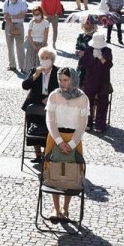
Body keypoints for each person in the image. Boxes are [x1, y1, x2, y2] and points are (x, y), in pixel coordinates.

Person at [43, 67, 88, 223]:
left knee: (71, 173)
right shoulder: (54, 95)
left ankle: (65, 208)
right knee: (54, 173)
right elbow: (50, 120)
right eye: (61, 80)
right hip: (56, 138)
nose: (63, 83)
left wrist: (73, 143)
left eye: (66, 80)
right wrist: (59, 141)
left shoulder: (83, 98)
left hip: (73, 138)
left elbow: (83, 123)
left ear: (73, 80)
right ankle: (56, 209)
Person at [22, 47, 59, 164]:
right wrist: (35, 76)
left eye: (46, 57)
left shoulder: (58, 72)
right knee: (34, 129)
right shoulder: (35, 70)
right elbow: (25, 86)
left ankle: (46, 154)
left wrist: (51, 98)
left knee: (48, 129)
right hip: (34, 103)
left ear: (52, 59)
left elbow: (62, 89)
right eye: (42, 58)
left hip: (51, 105)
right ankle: (37, 154)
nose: (44, 59)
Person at [79, 32, 112, 133]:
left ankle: (100, 125)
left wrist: (101, 57)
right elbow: (84, 64)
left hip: (103, 80)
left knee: (103, 103)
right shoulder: (88, 50)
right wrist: (93, 58)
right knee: (88, 102)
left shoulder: (107, 50)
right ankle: (87, 123)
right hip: (90, 80)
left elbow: (108, 65)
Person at [1, 0, 28, 72]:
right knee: (10, 46)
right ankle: (12, 65)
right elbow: (5, 16)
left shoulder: (22, 2)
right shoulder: (7, 2)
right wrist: (11, 23)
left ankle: (23, 66)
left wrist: (11, 17)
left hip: (19, 25)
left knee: (20, 46)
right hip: (9, 25)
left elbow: (22, 14)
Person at [23, 8, 50, 73]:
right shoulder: (31, 22)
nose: (36, 15)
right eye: (35, 14)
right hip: (32, 44)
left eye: (38, 14)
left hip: (42, 44)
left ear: (41, 13)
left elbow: (46, 35)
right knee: (30, 61)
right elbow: (29, 35)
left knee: (41, 61)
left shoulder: (46, 22)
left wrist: (43, 45)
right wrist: (34, 46)